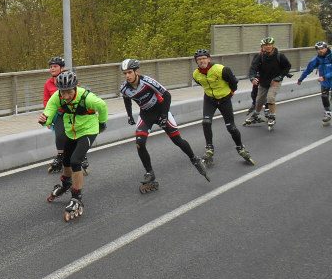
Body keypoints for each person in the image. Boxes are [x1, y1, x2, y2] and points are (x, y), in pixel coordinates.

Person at [120, 58, 209, 190]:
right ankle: (149, 172)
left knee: (177, 140)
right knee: (140, 143)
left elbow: (167, 95)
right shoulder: (124, 88)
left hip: (161, 110)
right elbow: (127, 100)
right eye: (125, 73)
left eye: (129, 72)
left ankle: (194, 159)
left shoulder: (147, 81)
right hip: (146, 115)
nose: (127, 75)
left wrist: (163, 115)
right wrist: (129, 115)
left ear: (136, 71)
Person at [38, 70, 108, 220]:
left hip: (88, 130)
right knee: (65, 160)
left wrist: (102, 123)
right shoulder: (58, 97)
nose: (66, 96)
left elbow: (102, 106)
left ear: (76, 88)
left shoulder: (87, 97)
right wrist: (45, 120)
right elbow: (49, 111)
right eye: (63, 92)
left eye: (69, 92)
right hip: (72, 132)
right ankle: (66, 183)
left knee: (76, 161)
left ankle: (77, 197)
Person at [192, 49, 254, 166]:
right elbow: (201, 84)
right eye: (199, 60)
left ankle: (240, 147)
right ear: (196, 62)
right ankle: (209, 148)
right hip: (210, 99)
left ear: (209, 59)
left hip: (224, 99)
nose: (202, 61)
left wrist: (231, 93)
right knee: (206, 122)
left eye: (204, 58)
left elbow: (234, 82)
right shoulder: (196, 74)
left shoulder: (221, 69)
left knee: (231, 127)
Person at [244, 37, 292, 128]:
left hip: (275, 81)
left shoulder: (280, 55)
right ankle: (256, 115)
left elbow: (287, 67)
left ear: (273, 45)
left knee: (270, 98)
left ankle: (272, 116)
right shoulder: (259, 56)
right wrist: (252, 78)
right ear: (262, 46)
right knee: (259, 101)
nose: (268, 46)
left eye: (270, 45)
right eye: (266, 45)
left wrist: (280, 77)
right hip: (263, 81)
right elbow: (253, 68)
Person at [297, 40, 332, 124]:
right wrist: (300, 79)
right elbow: (308, 70)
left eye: (322, 48)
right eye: (318, 49)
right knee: (324, 96)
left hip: (325, 78)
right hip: (324, 81)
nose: (320, 50)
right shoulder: (316, 59)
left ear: (326, 48)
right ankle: (328, 113)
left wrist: (324, 76)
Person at [43, 56, 67, 173]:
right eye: (51, 67)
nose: (52, 69)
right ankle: (60, 157)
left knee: (74, 133)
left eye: (55, 66)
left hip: (71, 112)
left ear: (62, 68)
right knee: (60, 134)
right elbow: (46, 101)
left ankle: (81, 156)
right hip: (59, 113)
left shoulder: (69, 78)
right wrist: (48, 117)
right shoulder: (48, 83)